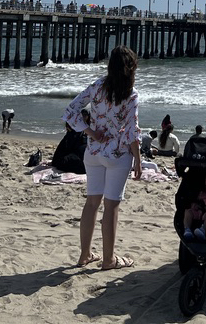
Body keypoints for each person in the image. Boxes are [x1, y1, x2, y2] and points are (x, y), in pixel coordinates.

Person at [63, 45, 142, 271]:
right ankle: (108, 260)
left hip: (93, 152)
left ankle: (85, 255)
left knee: (91, 203)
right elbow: (131, 131)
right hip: (117, 154)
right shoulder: (131, 94)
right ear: (131, 68)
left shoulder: (97, 86)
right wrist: (137, 158)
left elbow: (71, 111)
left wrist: (90, 132)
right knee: (111, 206)